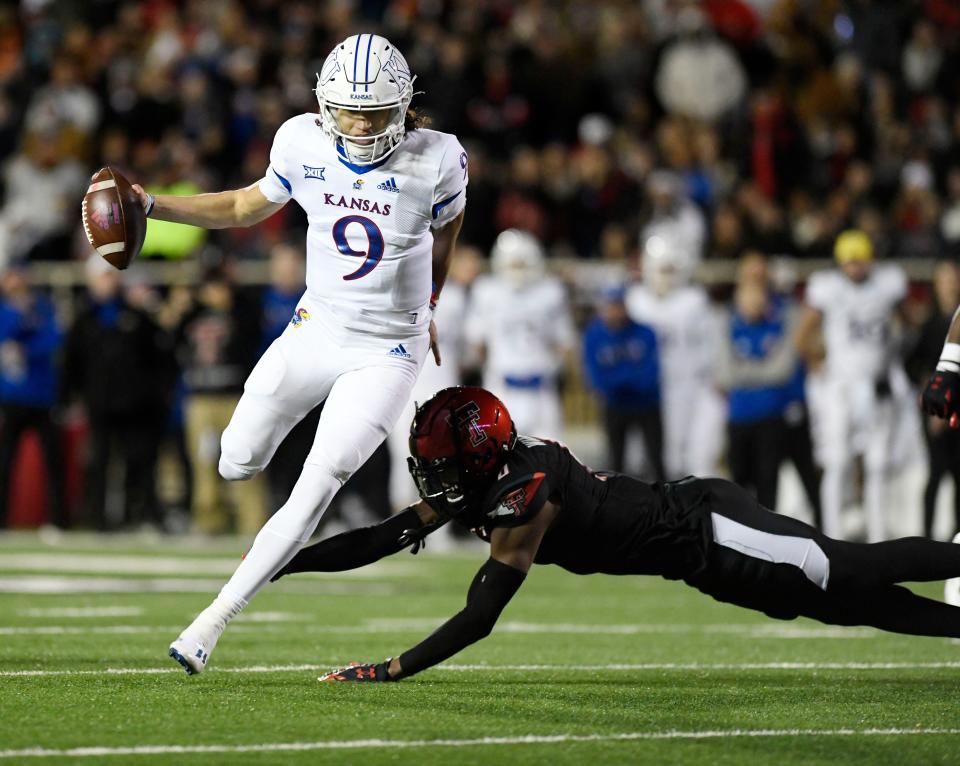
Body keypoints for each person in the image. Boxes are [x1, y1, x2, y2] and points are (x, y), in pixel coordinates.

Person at [132, 34, 467, 674]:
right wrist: (152, 204)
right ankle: (244, 499)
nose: (362, 123)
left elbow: (446, 232)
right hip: (314, 329)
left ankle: (211, 622)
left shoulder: (438, 159)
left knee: (321, 480)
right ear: (323, 104)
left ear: (403, 106)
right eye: (349, 110)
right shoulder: (301, 141)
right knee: (236, 460)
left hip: (386, 350)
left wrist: (429, 307)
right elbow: (238, 206)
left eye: (375, 111)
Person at [271, 386, 960, 683]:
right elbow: (383, 537)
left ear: (479, 455)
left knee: (844, 570)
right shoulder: (493, 475)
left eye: (444, 462)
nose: (433, 476)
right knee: (845, 606)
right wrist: (284, 561)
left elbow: (481, 617)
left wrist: (392, 669)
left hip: (711, 529)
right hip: (701, 562)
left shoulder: (523, 495)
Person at [796, 230, 910, 541]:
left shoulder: (887, 285)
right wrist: (818, 365)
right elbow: (802, 335)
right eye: (850, 262)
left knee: (878, 464)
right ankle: (830, 536)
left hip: (876, 385)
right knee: (836, 461)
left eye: (860, 262)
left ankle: (878, 536)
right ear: (841, 263)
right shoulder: (828, 288)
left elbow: (907, 320)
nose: (856, 268)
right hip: (841, 387)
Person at [62, 256, 176, 531]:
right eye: (103, 277)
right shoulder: (84, 320)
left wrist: (157, 394)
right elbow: (71, 363)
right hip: (99, 403)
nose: (107, 282)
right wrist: (70, 397)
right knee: (99, 462)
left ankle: (137, 516)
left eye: (111, 276)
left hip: (135, 404)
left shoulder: (136, 316)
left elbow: (158, 358)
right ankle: (98, 519)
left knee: (138, 462)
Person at [625, 234, 725, 478]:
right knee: (653, 461)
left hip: (690, 385)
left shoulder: (694, 301)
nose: (664, 276)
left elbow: (712, 344)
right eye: (660, 269)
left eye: (670, 269)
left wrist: (714, 378)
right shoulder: (635, 300)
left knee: (694, 459)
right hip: (649, 391)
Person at [464, 229, 574, 441]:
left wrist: (552, 367)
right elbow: (476, 343)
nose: (518, 270)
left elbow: (564, 344)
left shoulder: (550, 292)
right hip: (503, 388)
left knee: (550, 456)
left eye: (522, 264)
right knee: (498, 456)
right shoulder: (486, 291)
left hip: (541, 389)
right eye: (513, 264)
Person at [716, 280, 799, 510]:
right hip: (739, 416)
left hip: (770, 416)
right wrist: (762, 370)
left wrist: (746, 371)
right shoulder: (729, 328)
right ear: (739, 303)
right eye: (748, 301)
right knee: (738, 481)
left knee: (768, 480)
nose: (753, 306)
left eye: (758, 301)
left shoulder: (776, 328)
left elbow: (783, 370)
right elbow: (726, 373)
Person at [0, 262, 67, 528]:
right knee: (6, 462)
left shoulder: (42, 306)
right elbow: (6, 340)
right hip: (12, 396)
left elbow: (54, 338)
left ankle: (59, 521)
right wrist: (20, 319)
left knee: (54, 462)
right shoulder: (9, 309)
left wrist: (26, 347)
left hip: (42, 396)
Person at [581, 284, 665, 481]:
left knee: (656, 459)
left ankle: (666, 506)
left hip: (647, 404)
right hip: (615, 405)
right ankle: (617, 507)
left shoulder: (645, 332)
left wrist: (617, 379)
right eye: (611, 305)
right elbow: (595, 379)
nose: (615, 310)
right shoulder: (594, 335)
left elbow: (650, 375)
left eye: (619, 305)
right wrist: (627, 378)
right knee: (615, 461)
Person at [910, 261, 960, 539]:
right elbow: (913, 364)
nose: (951, 285)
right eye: (945, 280)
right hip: (941, 407)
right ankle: (927, 534)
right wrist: (935, 386)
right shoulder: (930, 323)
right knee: (936, 473)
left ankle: (956, 534)